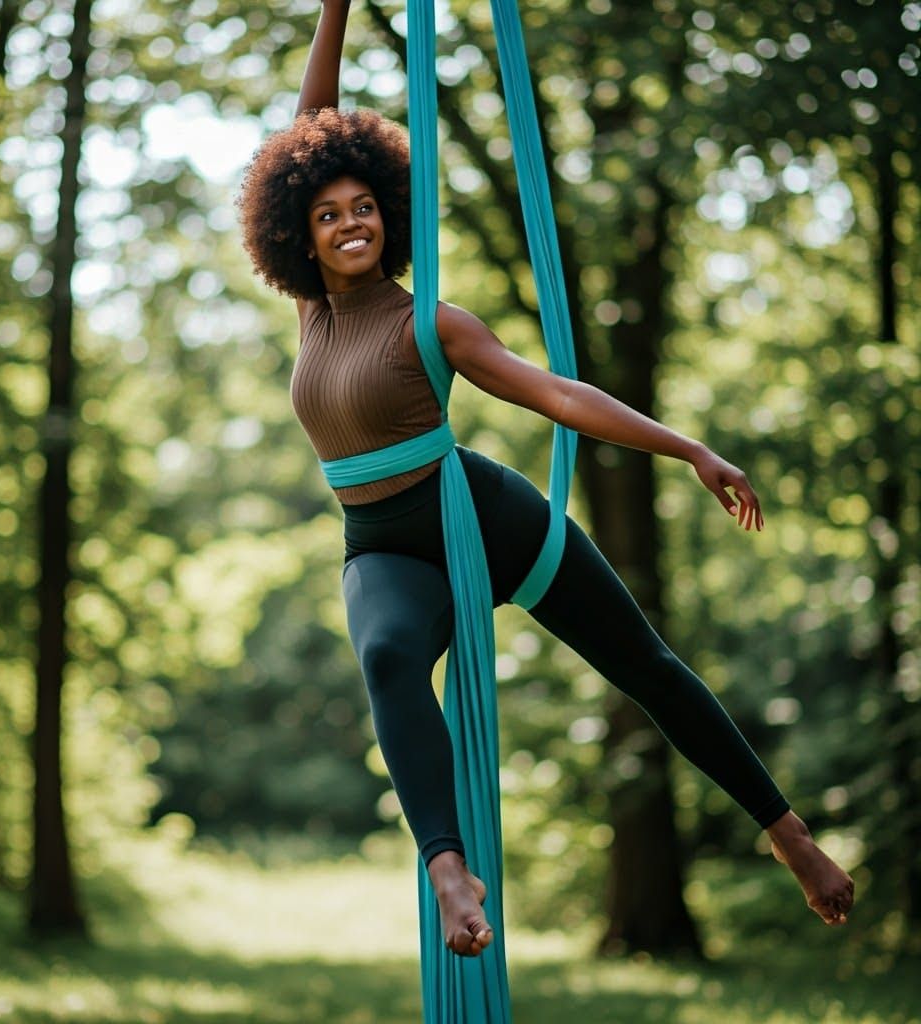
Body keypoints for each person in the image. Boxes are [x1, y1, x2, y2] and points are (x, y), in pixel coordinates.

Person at [238, 0, 854, 957]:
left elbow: (558, 397)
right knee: (389, 659)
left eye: (363, 208)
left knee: (642, 665)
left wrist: (688, 447)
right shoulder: (314, 314)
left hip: (480, 515)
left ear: (388, 218)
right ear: (300, 234)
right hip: (383, 543)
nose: (347, 222)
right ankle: (448, 871)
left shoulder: (432, 321)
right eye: (327, 214)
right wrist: (337, 7)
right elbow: (304, 126)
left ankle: (789, 835)